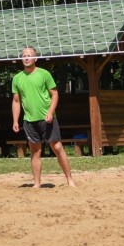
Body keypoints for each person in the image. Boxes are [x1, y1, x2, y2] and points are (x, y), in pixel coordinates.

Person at [12, 47, 77, 189]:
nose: (26, 58)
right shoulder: (17, 78)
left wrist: (50, 112)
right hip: (29, 120)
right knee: (35, 151)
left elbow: (55, 94)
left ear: (35, 58)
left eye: (29, 55)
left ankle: (70, 180)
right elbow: (16, 101)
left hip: (47, 118)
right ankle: (37, 183)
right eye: (24, 56)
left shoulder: (44, 74)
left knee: (57, 147)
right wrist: (15, 120)